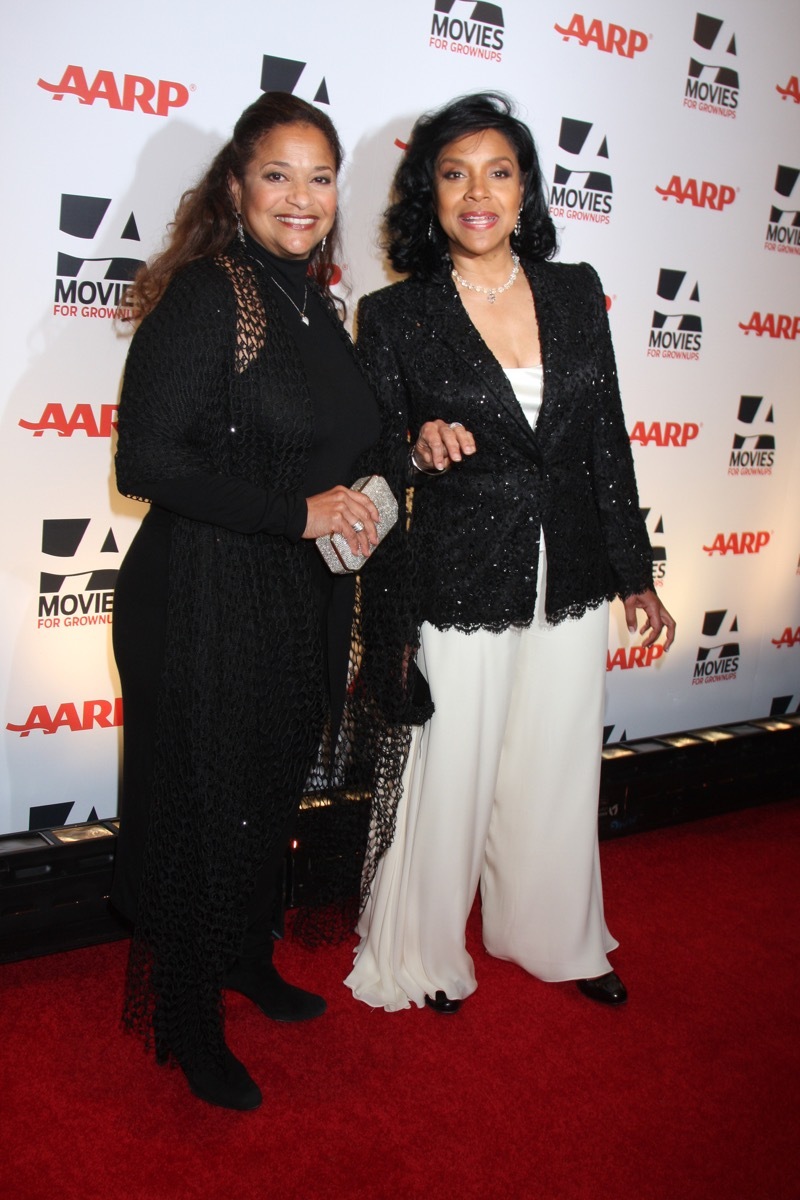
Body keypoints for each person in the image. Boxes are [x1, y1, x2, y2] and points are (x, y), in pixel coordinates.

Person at [345, 92, 676, 1015]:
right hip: (457, 570)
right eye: (455, 174)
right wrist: (416, 449)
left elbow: (605, 437)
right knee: (449, 768)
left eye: (498, 172)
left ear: (526, 189)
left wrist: (634, 570)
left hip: (566, 566)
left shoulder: (575, 291)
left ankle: (553, 937)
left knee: (559, 761)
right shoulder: (396, 315)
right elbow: (370, 465)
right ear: (429, 195)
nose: (477, 193)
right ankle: (422, 947)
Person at [111, 92, 404, 1110]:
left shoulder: (314, 299)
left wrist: (376, 491)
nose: (300, 197)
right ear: (237, 187)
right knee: (201, 807)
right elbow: (146, 460)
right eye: (277, 174)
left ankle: (242, 957)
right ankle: (187, 1020)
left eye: (318, 177)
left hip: (294, 594)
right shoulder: (213, 296)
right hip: (201, 593)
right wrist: (293, 511)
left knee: (264, 795)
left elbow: (343, 447)